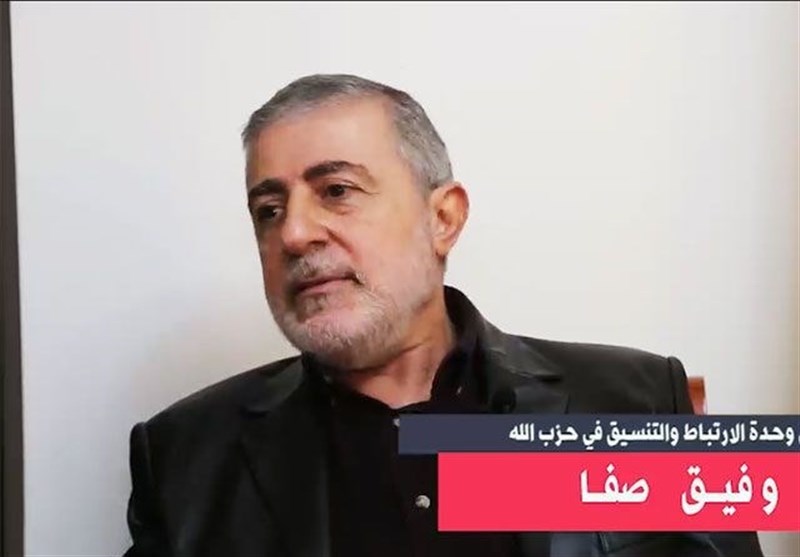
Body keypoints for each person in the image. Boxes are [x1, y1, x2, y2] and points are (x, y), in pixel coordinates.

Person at [123, 74, 762, 557]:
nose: (293, 233)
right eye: (268, 210)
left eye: (337, 191)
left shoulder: (639, 402)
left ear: (443, 219)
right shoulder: (185, 458)